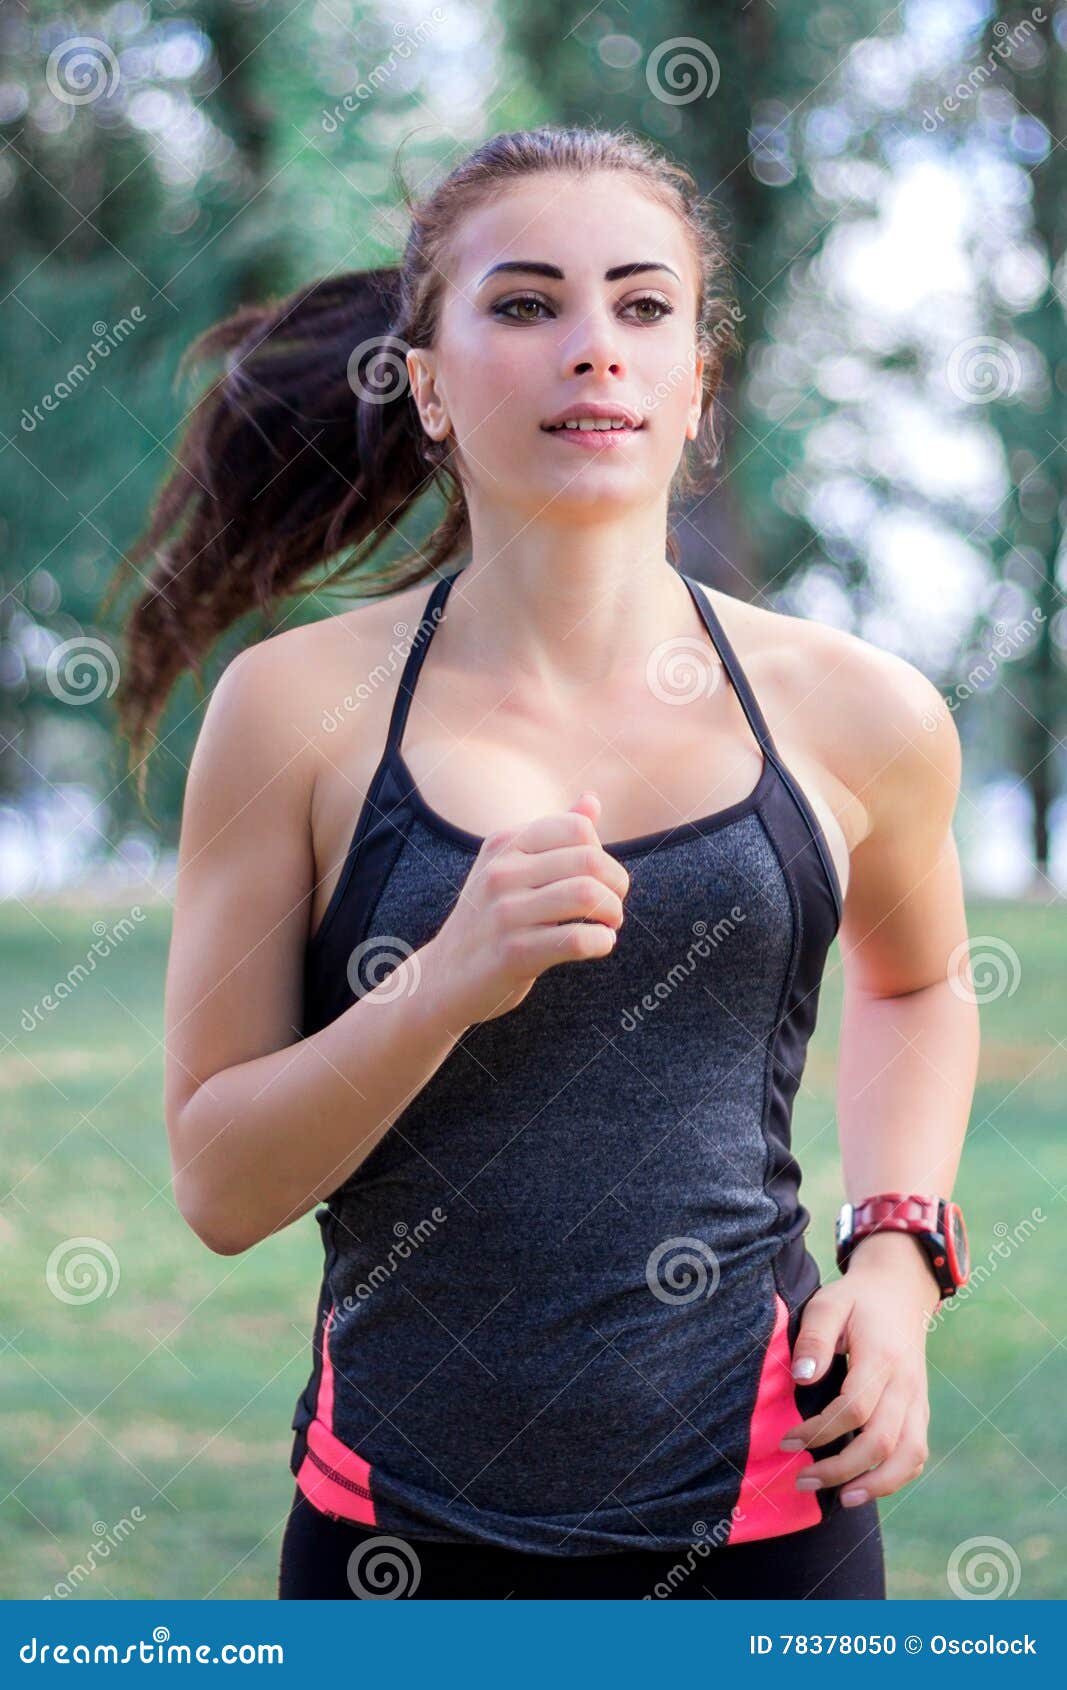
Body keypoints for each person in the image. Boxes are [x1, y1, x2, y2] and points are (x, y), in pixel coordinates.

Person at [113, 125, 979, 1601]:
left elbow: (923, 981)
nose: (596, 349)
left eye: (644, 308)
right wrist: (437, 985)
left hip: (777, 1530)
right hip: (398, 1544)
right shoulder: (296, 712)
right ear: (429, 383)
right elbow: (220, 1181)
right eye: (526, 305)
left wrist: (897, 1259)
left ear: (698, 382)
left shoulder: (863, 710)